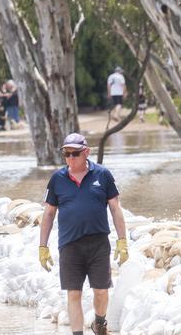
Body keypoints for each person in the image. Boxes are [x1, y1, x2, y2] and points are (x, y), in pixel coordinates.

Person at [38, 133, 129, 335]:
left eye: (75, 154)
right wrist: (42, 246)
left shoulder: (103, 175)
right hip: (69, 245)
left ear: (86, 152)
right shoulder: (57, 179)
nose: (70, 158)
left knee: (101, 291)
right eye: (66, 154)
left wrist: (123, 241)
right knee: (73, 294)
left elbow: (115, 208)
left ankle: (100, 321)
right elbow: (49, 213)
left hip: (98, 243)